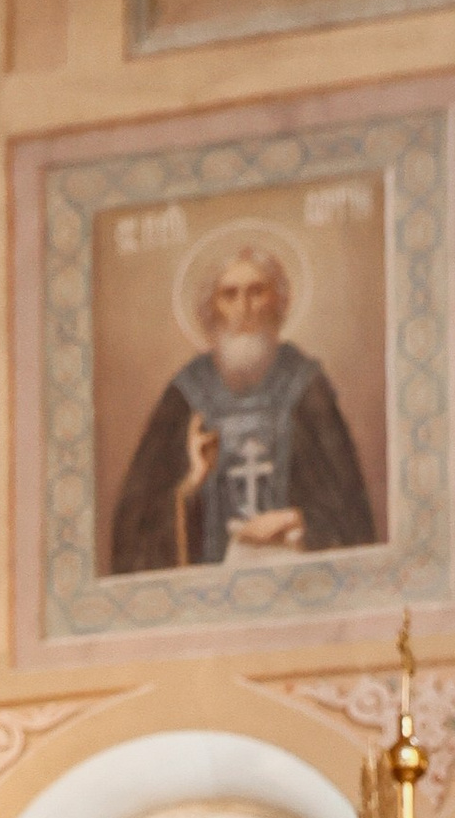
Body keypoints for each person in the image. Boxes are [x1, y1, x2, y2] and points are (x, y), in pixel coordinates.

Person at [107, 242, 376, 574]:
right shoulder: (186, 394)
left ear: (277, 301)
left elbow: (351, 514)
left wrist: (293, 520)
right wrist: (192, 483)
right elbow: (134, 529)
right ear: (211, 308)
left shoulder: (305, 386)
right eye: (229, 295)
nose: (244, 307)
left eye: (257, 292)